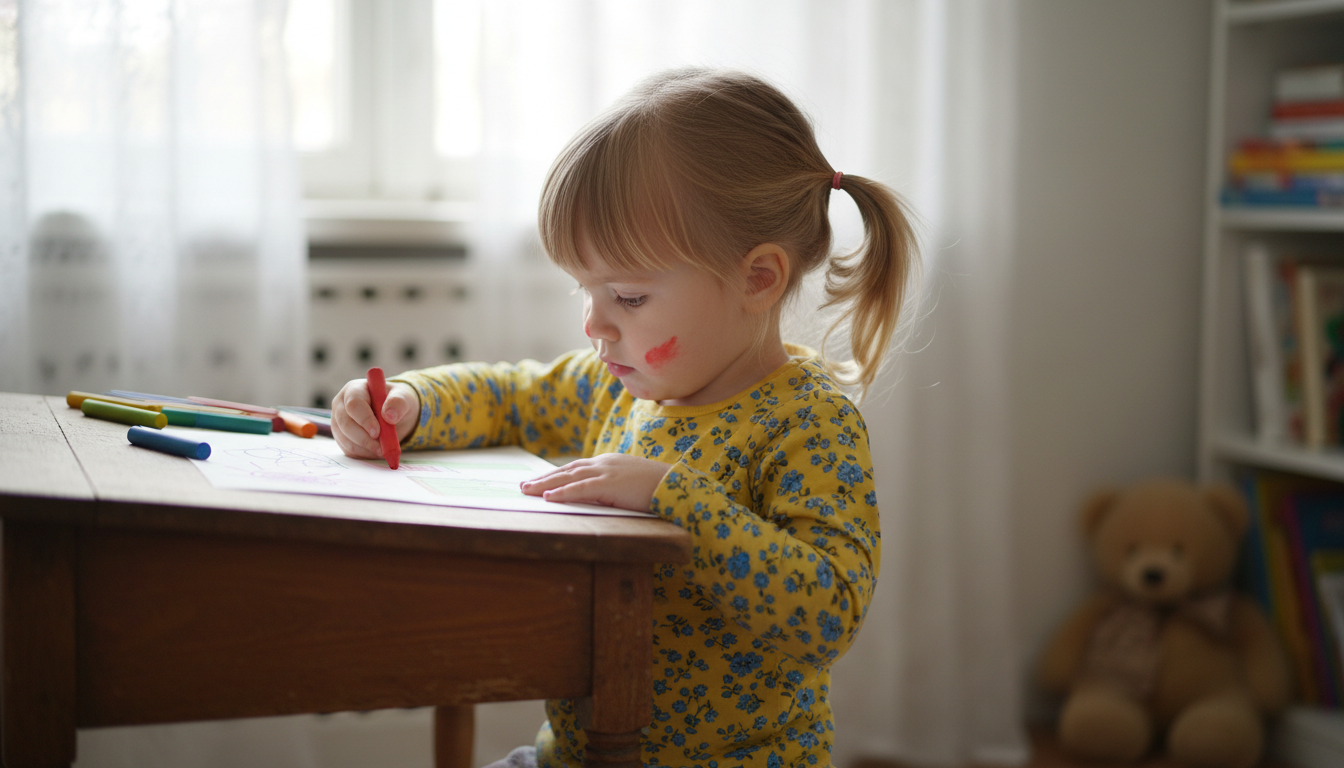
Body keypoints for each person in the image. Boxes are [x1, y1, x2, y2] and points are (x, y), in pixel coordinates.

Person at [331, 67, 917, 768]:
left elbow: (827, 614)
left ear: (758, 278)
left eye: (630, 298)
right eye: (585, 289)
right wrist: (411, 402)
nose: (595, 325)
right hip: (580, 752)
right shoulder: (625, 385)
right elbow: (509, 395)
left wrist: (675, 498)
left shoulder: (808, 423)